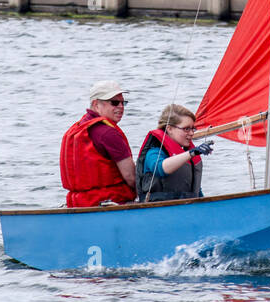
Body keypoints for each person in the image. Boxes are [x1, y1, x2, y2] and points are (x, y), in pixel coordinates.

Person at [60, 80, 135, 208]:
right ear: (96, 104)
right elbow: (131, 177)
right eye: (114, 102)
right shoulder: (108, 133)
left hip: (78, 204)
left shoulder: (76, 129)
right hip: (110, 202)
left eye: (123, 103)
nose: (121, 107)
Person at [134, 104, 213, 203]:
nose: (192, 133)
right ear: (169, 129)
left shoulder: (186, 157)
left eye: (193, 128)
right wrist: (192, 153)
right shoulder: (153, 153)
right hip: (158, 211)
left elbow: (196, 192)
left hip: (185, 210)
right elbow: (161, 168)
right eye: (186, 129)